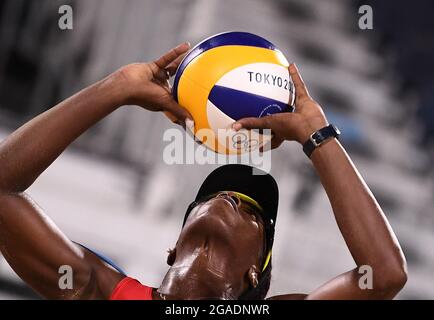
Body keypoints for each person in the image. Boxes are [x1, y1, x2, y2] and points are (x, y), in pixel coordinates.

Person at [0, 42, 407, 300]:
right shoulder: (102, 291)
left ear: (256, 269)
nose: (228, 197)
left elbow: (384, 275)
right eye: (210, 197)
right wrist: (117, 87)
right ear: (173, 248)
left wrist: (315, 134)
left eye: (249, 211)